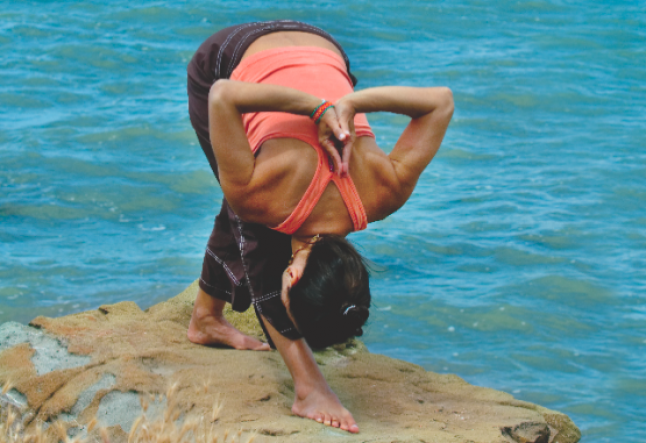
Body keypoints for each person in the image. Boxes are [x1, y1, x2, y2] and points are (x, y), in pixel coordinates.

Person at [185, 21, 453, 434]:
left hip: (325, 48)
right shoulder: (259, 195)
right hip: (227, 58)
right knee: (255, 226)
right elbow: (222, 94)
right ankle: (308, 386)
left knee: (250, 203)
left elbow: (439, 102)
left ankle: (206, 318)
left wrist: (348, 101)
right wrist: (318, 108)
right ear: (290, 274)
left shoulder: (384, 194)